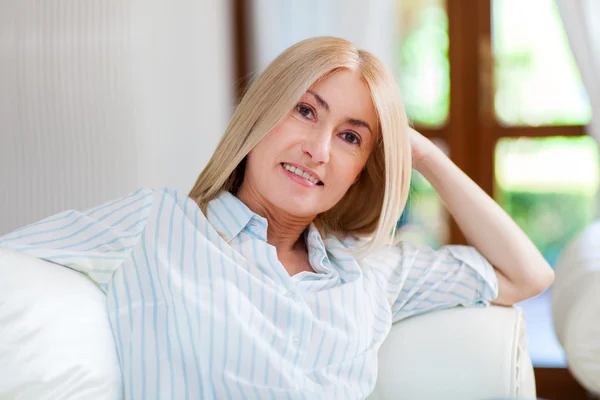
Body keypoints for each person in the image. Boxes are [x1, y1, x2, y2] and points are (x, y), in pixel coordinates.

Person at [0, 37, 554, 399]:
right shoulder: (155, 225)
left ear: (363, 168)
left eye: (351, 136)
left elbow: (528, 275)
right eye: (305, 109)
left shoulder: (369, 271)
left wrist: (423, 153)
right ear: (262, 111)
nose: (318, 148)